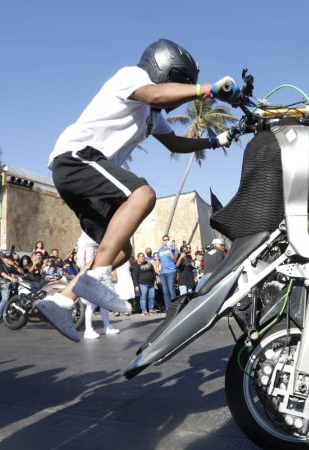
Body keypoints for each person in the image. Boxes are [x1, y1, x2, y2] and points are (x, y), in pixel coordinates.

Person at [36, 39, 238, 341]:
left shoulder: (152, 116)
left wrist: (213, 142)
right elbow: (155, 92)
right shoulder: (131, 77)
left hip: (85, 173)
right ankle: (97, 278)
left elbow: (174, 143)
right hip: (76, 158)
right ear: (164, 71)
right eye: (180, 86)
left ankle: (62, 301)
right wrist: (207, 89)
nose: (175, 102)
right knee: (143, 194)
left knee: (121, 252)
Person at [76, 232, 118, 339]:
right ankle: (88, 330)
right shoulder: (85, 246)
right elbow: (81, 264)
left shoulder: (95, 247)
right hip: (90, 276)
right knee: (91, 304)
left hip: (100, 275)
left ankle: (107, 326)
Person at [0, 251, 22, 324]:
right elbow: (2, 274)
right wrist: (11, 278)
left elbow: (22, 272)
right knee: (5, 299)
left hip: (14, 285)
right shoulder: (1, 266)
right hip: (4, 284)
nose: (8, 260)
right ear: (3, 259)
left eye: (9, 258)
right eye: (6, 258)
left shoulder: (13, 266)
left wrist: (15, 265)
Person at [157, 235, 179, 308]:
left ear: (169, 240)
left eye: (167, 239)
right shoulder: (160, 250)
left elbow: (175, 260)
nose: (166, 241)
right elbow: (158, 260)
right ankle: (167, 307)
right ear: (162, 241)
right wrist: (158, 269)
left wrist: (170, 250)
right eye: (164, 240)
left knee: (171, 289)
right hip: (162, 272)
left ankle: (174, 307)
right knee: (165, 291)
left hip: (171, 271)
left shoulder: (173, 249)